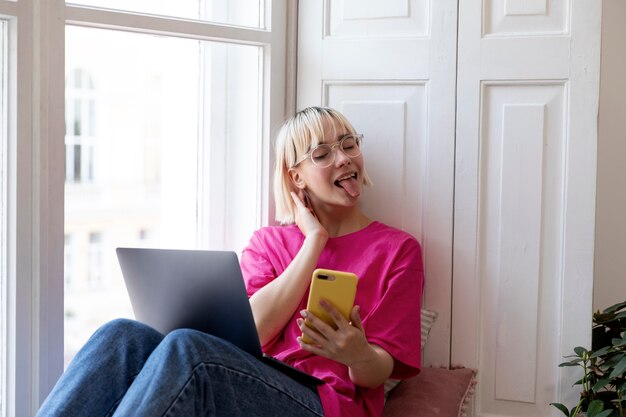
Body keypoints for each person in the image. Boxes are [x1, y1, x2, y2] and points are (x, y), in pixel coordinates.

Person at [36, 106, 424, 417]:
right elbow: (254, 330)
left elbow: (380, 370)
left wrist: (355, 354)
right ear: (297, 178)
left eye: (349, 144)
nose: (343, 158)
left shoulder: (397, 250)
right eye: (322, 154)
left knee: (190, 349)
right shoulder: (268, 243)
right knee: (121, 335)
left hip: (327, 404)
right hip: (259, 378)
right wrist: (315, 241)